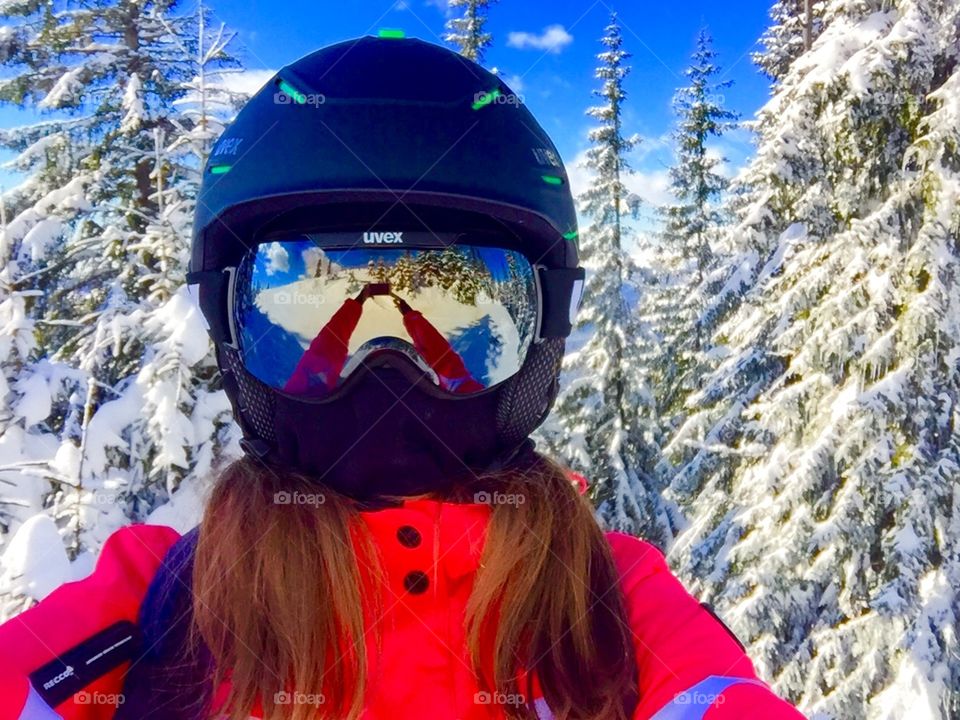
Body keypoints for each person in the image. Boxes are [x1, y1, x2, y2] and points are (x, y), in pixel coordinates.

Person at [0, 36, 807, 720]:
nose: (384, 359)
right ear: (231, 327)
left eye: (448, 304)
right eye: (317, 302)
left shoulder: (610, 607)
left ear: (539, 336)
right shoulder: (163, 604)